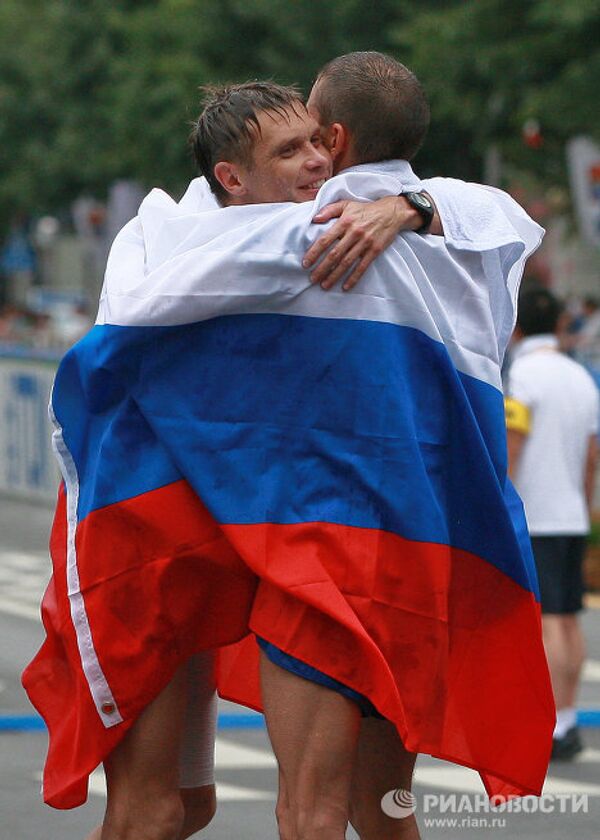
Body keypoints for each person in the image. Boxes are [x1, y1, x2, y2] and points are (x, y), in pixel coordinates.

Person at [23, 57, 553, 840]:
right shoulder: (451, 237)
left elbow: (140, 282)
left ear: (337, 138)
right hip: (360, 544)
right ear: (235, 178)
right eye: (290, 151)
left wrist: (394, 204)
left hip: (262, 540)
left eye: (315, 142)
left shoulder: (249, 232)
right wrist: (409, 203)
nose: (314, 164)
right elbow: (507, 214)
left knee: (231, 811)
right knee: (329, 814)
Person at [506, 287, 599, 761]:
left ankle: (549, 723)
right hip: (571, 514)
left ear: (516, 325)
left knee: (543, 621)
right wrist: (583, 508)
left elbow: (512, 444)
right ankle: (566, 719)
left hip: (533, 514)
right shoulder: (580, 376)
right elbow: (591, 456)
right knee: (567, 619)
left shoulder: (522, 373)